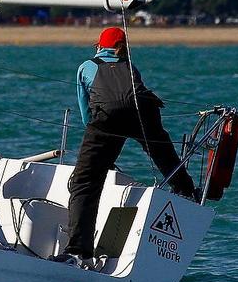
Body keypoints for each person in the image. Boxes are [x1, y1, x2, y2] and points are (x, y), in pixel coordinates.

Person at [54, 26, 196, 265]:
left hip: (106, 120)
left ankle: (79, 251)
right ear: (123, 48)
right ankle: (187, 190)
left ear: (98, 46)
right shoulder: (130, 67)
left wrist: (99, 145)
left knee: (84, 183)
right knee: (162, 153)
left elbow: (86, 113)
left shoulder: (86, 67)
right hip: (142, 112)